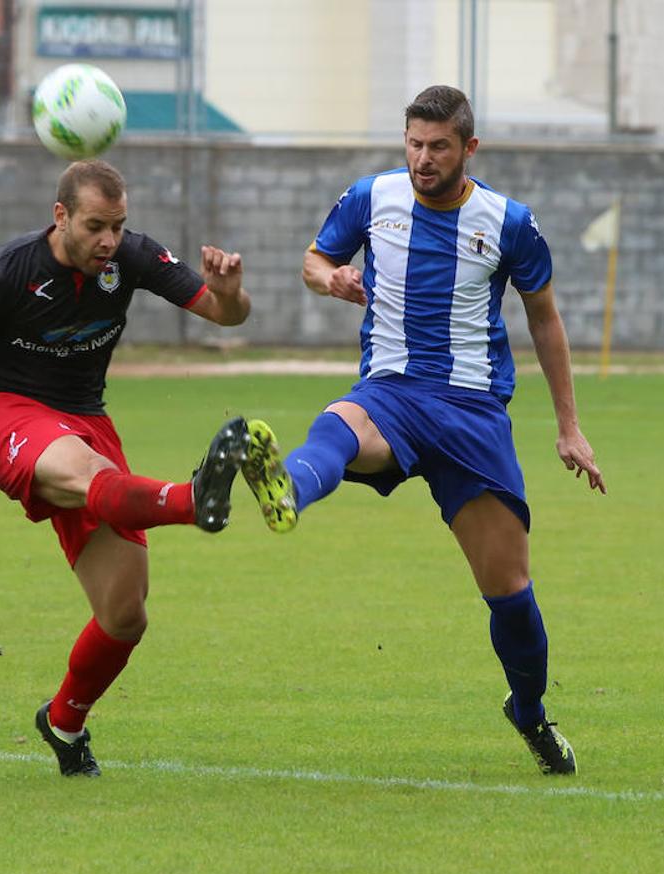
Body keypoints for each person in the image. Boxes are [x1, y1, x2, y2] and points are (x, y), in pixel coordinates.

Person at [240, 85, 606, 775]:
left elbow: (545, 319)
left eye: (437, 146)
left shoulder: (508, 223)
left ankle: (527, 712)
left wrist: (569, 427)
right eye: (413, 144)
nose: (422, 159)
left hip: (471, 414)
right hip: (393, 391)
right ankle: (283, 488)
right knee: (340, 426)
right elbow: (312, 262)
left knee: (510, 590)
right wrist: (333, 280)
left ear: (469, 148)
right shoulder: (370, 198)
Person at [0, 159, 252, 776]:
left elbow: (229, 317)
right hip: (10, 415)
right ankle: (193, 500)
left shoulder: (131, 257)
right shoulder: (2, 274)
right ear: (61, 217)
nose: (108, 240)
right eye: (95, 226)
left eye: (117, 225)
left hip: (86, 416)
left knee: (125, 613)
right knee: (85, 469)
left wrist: (227, 289)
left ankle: (63, 722)